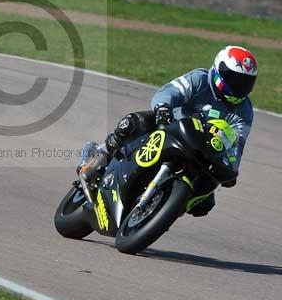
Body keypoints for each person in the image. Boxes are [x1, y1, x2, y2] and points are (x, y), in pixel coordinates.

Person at [79, 45, 257, 217]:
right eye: (234, 79)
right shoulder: (200, 79)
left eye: (245, 83)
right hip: (169, 128)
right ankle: (100, 155)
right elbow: (170, 92)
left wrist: (231, 170)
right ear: (219, 70)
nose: (239, 87)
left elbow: (237, 143)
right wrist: (163, 108)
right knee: (133, 123)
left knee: (204, 204)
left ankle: (159, 211)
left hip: (202, 152)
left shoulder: (244, 110)